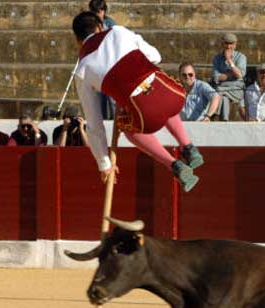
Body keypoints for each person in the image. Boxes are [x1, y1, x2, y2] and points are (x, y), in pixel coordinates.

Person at [72, 11, 201, 191]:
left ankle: (174, 165)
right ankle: (188, 146)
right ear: (100, 26)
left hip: (146, 114)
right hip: (174, 94)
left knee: (128, 127)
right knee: (158, 94)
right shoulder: (118, 31)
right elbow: (156, 56)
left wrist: (105, 164)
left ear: (78, 41)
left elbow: (95, 125)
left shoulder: (82, 70)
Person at [88, 0, 117, 120]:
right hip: (97, 64)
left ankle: (115, 123)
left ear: (104, 11)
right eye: (94, 12)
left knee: (112, 99)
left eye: (99, 11)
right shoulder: (89, 24)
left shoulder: (110, 23)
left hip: (110, 65)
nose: (97, 14)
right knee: (99, 99)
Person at [212, 33, 246, 121]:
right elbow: (216, 77)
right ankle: (225, 120)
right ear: (222, 44)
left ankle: (213, 115)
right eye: (226, 43)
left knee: (218, 92)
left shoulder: (241, 57)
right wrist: (232, 74)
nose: (228, 46)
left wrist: (229, 60)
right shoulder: (217, 58)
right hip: (223, 88)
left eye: (231, 44)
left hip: (236, 89)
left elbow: (239, 75)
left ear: (235, 45)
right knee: (223, 98)